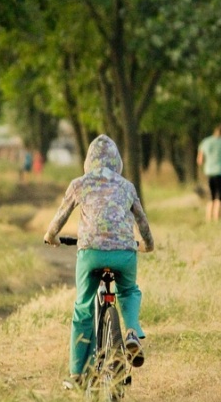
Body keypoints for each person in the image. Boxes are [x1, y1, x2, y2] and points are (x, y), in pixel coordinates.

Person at [44, 135, 155, 388]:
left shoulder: (79, 184)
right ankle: (131, 332)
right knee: (128, 290)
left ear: (88, 161)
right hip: (125, 253)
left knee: (83, 307)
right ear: (118, 162)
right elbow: (143, 223)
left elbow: (59, 217)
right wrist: (148, 245)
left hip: (91, 254)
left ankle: (77, 374)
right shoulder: (127, 186)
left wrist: (51, 236)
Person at [197, 123, 221, 221]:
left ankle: (209, 220)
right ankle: (218, 219)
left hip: (209, 172)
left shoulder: (206, 142)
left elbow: (200, 160)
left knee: (211, 198)